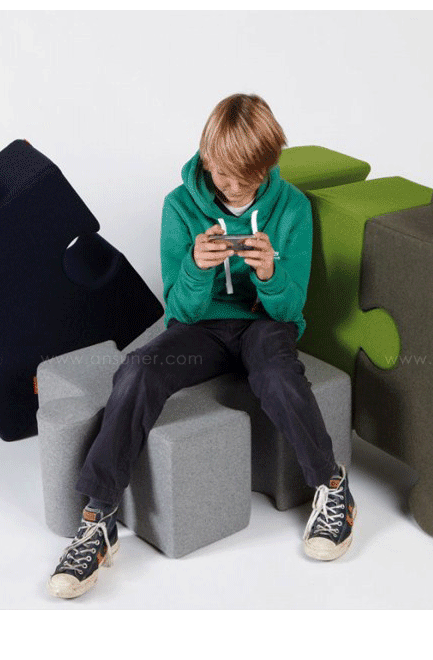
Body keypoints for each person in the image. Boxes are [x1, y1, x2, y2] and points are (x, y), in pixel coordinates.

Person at [47, 93, 357, 599]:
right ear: (206, 158)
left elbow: (289, 311)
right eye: (222, 174)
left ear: (268, 166)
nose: (231, 188)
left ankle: (333, 486)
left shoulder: (292, 208)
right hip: (203, 328)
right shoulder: (179, 206)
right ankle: (97, 520)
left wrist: (269, 274)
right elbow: (181, 311)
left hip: (265, 324)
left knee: (277, 374)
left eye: (245, 178)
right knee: (138, 369)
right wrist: (194, 267)